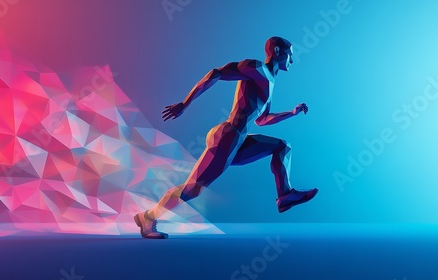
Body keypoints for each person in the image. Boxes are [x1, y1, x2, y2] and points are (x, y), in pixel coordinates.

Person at [134, 36, 318, 239]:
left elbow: (262, 119)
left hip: (238, 142)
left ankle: (285, 196)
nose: (292, 60)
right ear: (276, 50)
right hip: (227, 138)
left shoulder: (270, 83)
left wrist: (291, 113)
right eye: (290, 55)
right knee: (192, 189)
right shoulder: (256, 68)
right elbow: (217, 73)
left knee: (282, 147)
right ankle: (148, 218)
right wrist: (184, 104)